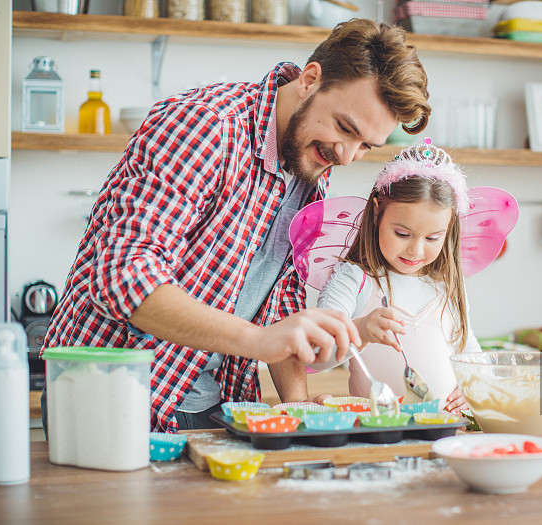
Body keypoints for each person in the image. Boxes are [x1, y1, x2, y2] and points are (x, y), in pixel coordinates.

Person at [40, 19, 431, 433]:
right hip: (107, 397)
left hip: (211, 405)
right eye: (346, 128)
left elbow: (280, 305)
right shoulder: (204, 127)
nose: (348, 155)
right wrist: (257, 340)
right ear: (310, 79)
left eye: (366, 145)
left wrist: (301, 412)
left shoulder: (312, 157)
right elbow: (123, 275)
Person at [315, 141, 483, 415]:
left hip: (445, 429)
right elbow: (317, 356)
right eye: (402, 234)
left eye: (432, 238)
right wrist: (359, 331)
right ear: (377, 212)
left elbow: (470, 352)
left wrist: (473, 386)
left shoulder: (447, 283)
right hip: (376, 435)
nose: (416, 250)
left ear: (449, 228)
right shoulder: (353, 279)